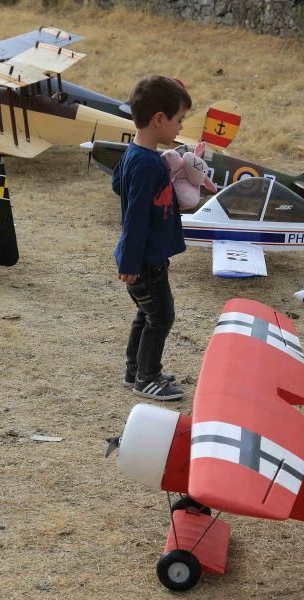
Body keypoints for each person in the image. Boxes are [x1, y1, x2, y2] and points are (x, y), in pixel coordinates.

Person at [113, 76, 191, 401]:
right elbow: (135, 217)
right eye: (179, 120)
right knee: (161, 316)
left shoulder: (138, 155)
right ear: (159, 119)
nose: (180, 127)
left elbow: (119, 184)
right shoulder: (147, 165)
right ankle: (148, 377)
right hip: (145, 261)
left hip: (143, 259)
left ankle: (135, 371)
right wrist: (131, 262)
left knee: (146, 314)